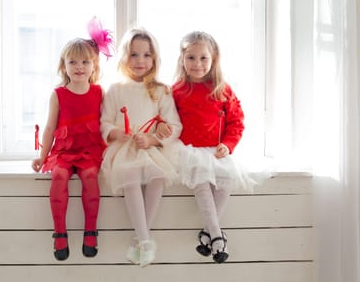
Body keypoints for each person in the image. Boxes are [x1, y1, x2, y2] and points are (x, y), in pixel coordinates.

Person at [100, 28, 182, 267]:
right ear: (125, 57)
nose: (140, 61)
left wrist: (154, 139)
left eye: (146, 55)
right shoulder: (115, 90)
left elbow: (174, 125)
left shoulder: (160, 90)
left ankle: (141, 237)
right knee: (130, 175)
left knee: (158, 177)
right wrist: (118, 133)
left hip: (152, 147)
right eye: (134, 55)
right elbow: (104, 122)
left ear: (154, 59)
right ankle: (145, 239)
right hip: (125, 146)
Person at [32, 18, 113, 261]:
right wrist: (42, 156)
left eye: (85, 61)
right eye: (73, 62)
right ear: (63, 66)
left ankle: (91, 230)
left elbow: (107, 124)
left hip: (90, 150)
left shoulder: (100, 92)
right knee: (58, 176)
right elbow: (49, 128)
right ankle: (59, 233)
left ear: (94, 65)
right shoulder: (58, 95)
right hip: (65, 152)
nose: (79, 67)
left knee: (89, 176)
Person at [170, 31, 254, 263]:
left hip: (217, 150)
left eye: (203, 58)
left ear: (214, 58)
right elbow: (166, 119)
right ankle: (217, 236)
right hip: (189, 151)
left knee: (226, 180)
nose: (197, 64)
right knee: (201, 182)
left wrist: (228, 144)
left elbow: (237, 121)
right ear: (182, 59)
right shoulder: (176, 90)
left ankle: (209, 234)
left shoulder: (222, 89)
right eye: (191, 58)